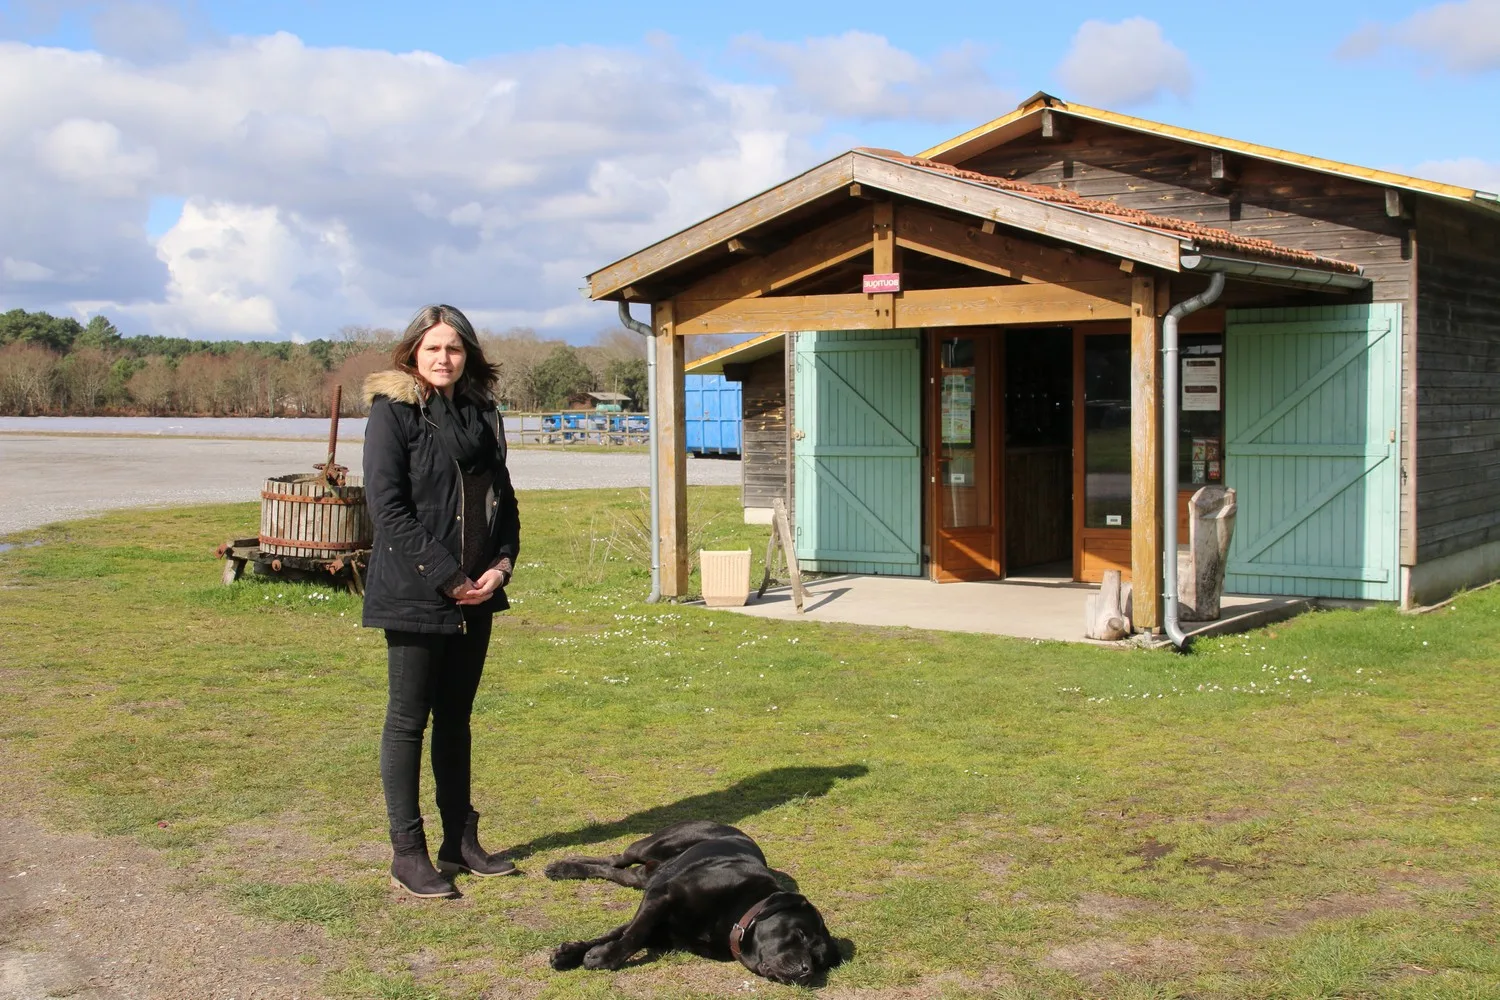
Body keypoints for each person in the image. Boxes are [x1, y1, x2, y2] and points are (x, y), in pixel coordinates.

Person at [361, 304, 521, 899]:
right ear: (412, 355)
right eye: (433, 349)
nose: (444, 358)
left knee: (456, 720)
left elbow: (503, 502)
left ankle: (460, 840)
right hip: (414, 592)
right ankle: (409, 853)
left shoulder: (482, 415)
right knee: (408, 722)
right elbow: (388, 509)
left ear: (468, 355)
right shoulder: (394, 414)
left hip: (477, 596)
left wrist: (501, 565)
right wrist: (447, 575)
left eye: (453, 349)